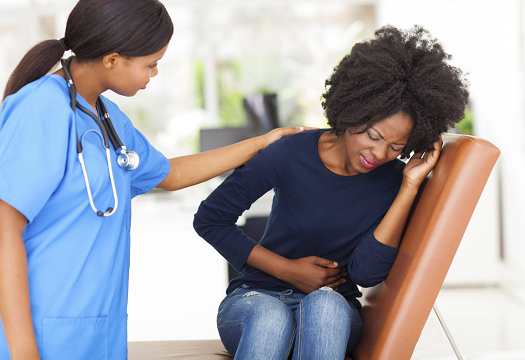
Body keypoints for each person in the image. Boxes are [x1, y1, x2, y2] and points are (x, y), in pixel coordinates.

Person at [0, 0, 308, 359]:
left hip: (94, 333)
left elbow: (170, 173)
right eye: (150, 63)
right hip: (36, 337)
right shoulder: (41, 108)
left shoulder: (108, 118)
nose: (154, 73)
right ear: (113, 59)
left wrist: (261, 143)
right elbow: (4, 230)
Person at [193, 25, 470, 360]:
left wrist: (409, 185)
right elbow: (211, 219)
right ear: (352, 110)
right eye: (372, 134)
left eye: (396, 146)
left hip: (333, 309)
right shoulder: (289, 153)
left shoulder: (395, 181)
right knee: (271, 318)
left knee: (324, 303)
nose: (379, 153)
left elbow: (366, 274)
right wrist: (288, 270)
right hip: (256, 297)